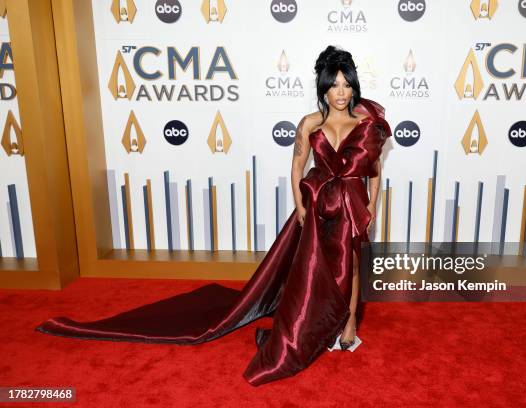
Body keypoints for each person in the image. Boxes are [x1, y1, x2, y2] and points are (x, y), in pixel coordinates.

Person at [35, 45, 392, 386]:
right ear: (323, 87)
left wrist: (372, 205)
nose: (341, 93)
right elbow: (297, 165)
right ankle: (315, 320)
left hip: (351, 204)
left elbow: (373, 169)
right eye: (334, 85)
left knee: (352, 267)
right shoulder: (310, 124)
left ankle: (347, 329)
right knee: (315, 267)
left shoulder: (365, 123)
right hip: (317, 204)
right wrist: (300, 206)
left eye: (347, 85)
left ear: (354, 86)